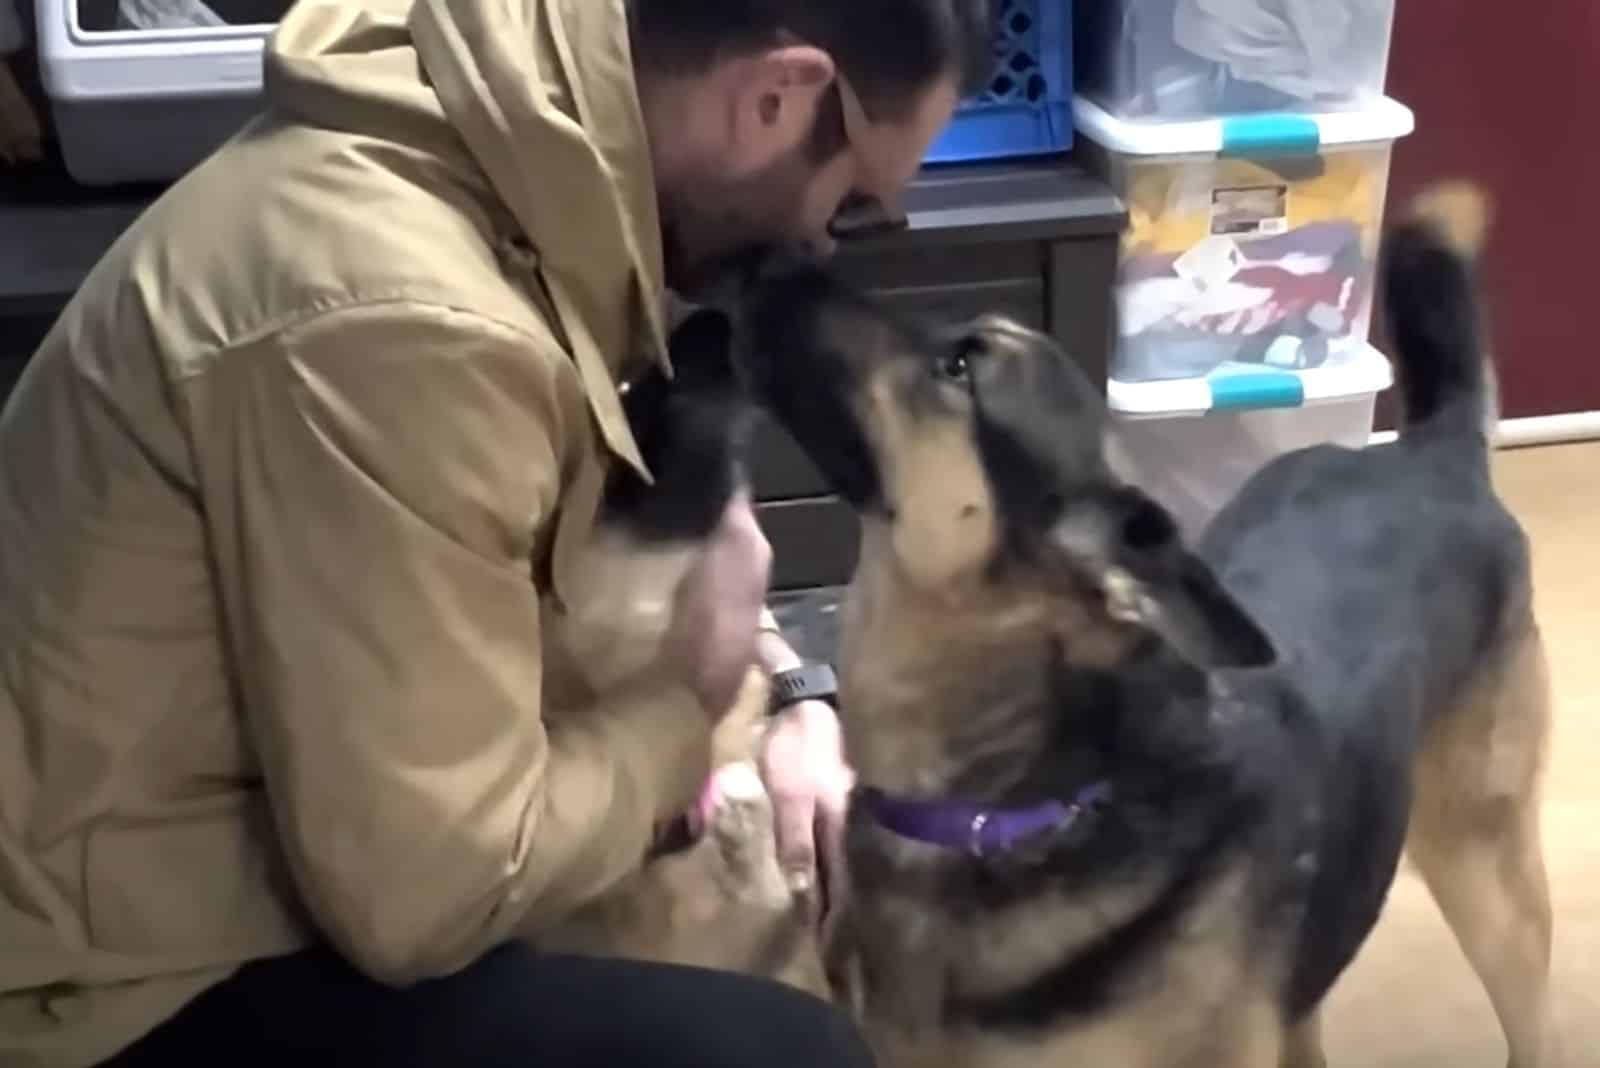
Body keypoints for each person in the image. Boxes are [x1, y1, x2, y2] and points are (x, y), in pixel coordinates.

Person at [0, 0, 992, 1064]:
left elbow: (626, 559)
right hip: (111, 980)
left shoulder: (519, 146)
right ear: (772, 98)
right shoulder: (405, 320)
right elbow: (427, 901)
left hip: (247, 834)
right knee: (786, 1053)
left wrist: (788, 697)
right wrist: (685, 710)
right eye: (849, 208)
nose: (818, 245)